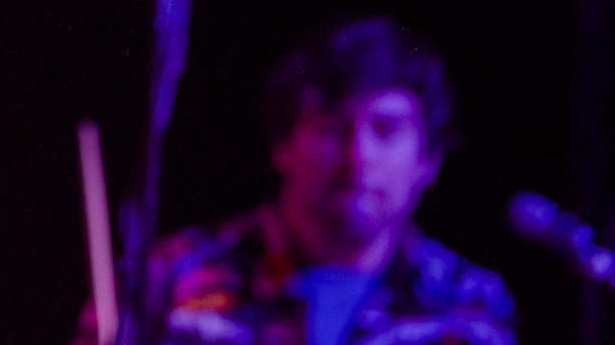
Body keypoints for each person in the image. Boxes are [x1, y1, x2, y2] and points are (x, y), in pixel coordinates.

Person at [75, 17, 515, 345]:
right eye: (332, 128)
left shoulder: (466, 306)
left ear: (428, 160)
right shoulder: (169, 277)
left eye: (386, 129)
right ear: (282, 145)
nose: (358, 156)